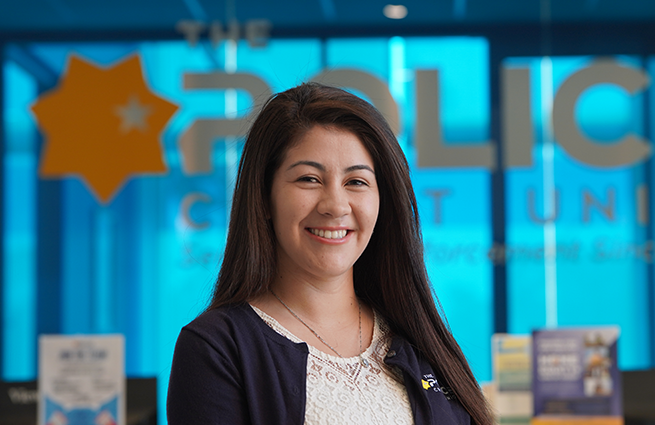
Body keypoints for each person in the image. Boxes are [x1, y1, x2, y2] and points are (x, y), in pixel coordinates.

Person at [167, 82, 492, 425]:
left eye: (356, 182)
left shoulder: (420, 340)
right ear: (264, 197)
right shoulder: (217, 349)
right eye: (309, 179)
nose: (336, 206)